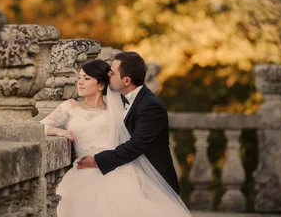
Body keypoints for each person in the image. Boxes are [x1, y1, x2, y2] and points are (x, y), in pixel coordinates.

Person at [40, 56, 189, 216]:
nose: (80, 82)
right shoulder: (69, 106)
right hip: (81, 170)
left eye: (87, 78)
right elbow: (38, 126)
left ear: (101, 85)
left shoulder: (120, 107)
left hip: (115, 169)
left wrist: (97, 160)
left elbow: (135, 143)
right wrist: (59, 131)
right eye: (79, 78)